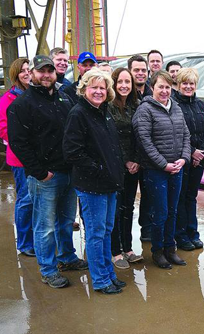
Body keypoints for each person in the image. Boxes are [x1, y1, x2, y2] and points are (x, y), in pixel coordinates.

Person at [8, 55, 87, 289]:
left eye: (50, 71)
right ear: (32, 73)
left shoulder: (64, 98)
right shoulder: (21, 105)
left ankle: (67, 257)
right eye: (41, 71)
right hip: (46, 176)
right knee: (44, 226)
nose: (46, 75)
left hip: (69, 171)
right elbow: (18, 143)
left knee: (64, 221)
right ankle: (48, 269)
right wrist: (39, 172)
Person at [63, 69, 126, 294]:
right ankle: (100, 280)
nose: (99, 91)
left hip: (109, 184)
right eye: (94, 87)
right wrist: (98, 170)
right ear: (84, 89)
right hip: (92, 186)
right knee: (96, 233)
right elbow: (73, 152)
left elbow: (112, 147)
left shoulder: (104, 111)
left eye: (102, 87)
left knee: (107, 230)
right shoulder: (78, 113)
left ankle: (109, 274)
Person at [132, 70, 190, 269]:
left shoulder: (176, 108)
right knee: (161, 212)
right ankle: (157, 250)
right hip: (156, 171)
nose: (164, 91)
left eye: (168, 87)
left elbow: (186, 135)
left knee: (173, 210)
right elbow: (145, 141)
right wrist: (163, 164)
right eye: (160, 87)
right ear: (152, 88)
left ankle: (170, 248)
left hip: (177, 168)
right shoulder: (145, 110)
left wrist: (183, 158)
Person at [173, 68, 204, 251]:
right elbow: (176, 132)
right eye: (185, 83)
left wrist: (202, 152)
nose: (188, 87)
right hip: (183, 158)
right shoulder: (174, 105)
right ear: (178, 85)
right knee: (180, 197)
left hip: (199, 159)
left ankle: (193, 232)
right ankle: (180, 235)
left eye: (191, 84)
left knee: (191, 196)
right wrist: (191, 152)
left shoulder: (200, 104)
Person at [108, 68, 143, 269]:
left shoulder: (136, 106)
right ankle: (115, 251)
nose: (124, 86)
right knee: (115, 209)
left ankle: (128, 248)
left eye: (127, 82)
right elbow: (111, 139)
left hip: (133, 166)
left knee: (128, 207)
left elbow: (141, 136)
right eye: (120, 82)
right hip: (115, 165)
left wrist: (136, 160)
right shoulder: (108, 107)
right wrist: (125, 161)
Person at [0, 58, 34, 256]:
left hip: (39, 158)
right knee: (25, 199)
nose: (27, 73)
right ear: (15, 74)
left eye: (29, 69)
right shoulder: (7, 100)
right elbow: (4, 129)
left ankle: (37, 238)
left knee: (39, 201)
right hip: (20, 159)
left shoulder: (36, 94)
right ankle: (25, 242)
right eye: (22, 71)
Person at [128, 54, 153, 241]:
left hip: (149, 158)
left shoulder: (152, 94)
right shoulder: (123, 96)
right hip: (129, 159)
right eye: (136, 70)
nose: (140, 73)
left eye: (143, 70)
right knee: (126, 202)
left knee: (149, 197)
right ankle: (124, 240)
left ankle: (147, 232)